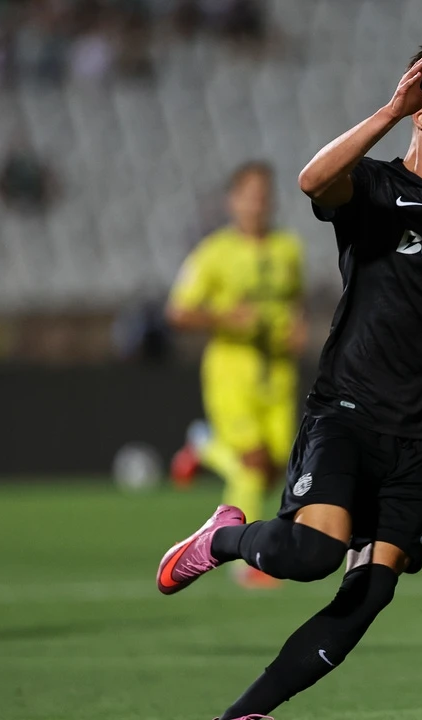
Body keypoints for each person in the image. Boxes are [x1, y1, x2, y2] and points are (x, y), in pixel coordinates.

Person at [154, 45, 422, 720]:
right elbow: (313, 181)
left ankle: (244, 713)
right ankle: (223, 538)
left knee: (369, 596)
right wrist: (388, 110)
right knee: (313, 553)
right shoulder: (373, 188)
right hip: (349, 413)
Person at [166, 161, 305, 589]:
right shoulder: (213, 253)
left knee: (273, 466)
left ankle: (204, 447)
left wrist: (297, 330)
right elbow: (178, 311)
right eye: (249, 194)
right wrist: (227, 317)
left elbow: (294, 303)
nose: (258, 202)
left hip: (276, 373)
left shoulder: (287, 249)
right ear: (233, 201)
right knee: (251, 462)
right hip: (232, 372)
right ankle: (250, 562)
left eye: (264, 193)